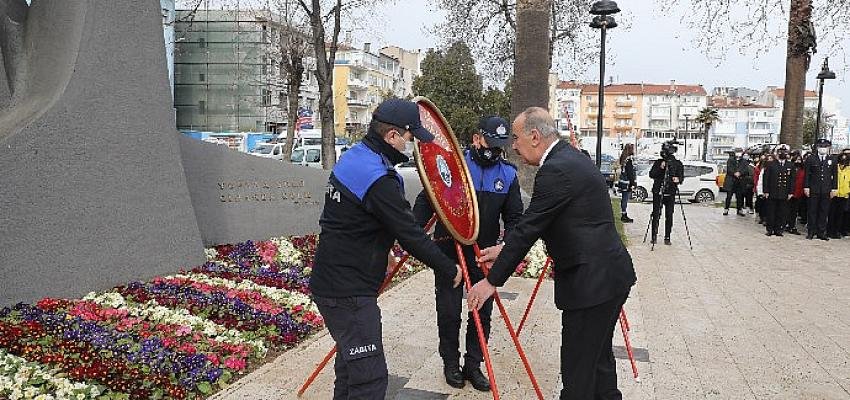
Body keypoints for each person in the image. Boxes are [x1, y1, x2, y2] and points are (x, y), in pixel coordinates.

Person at [468, 107, 636, 400]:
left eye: (516, 138)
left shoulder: (555, 170)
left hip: (591, 285)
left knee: (578, 373)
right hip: (609, 278)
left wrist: (491, 282)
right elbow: (545, 222)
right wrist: (505, 249)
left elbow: (530, 226)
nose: (513, 146)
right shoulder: (571, 158)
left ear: (534, 136)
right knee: (598, 362)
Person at [310, 98, 462, 399]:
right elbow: (410, 234)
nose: (412, 145)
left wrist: (384, 250)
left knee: (350, 369)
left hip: (334, 282)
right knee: (369, 379)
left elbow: (353, 219)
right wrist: (449, 268)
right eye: (410, 137)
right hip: (349, 293)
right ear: (392, 136)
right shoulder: (378, 177)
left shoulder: (357, 156)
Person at [412, 116, 523, 392]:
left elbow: (515, 219)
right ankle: (450, 363)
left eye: (499, 146)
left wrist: (504, 248)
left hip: (483, 254)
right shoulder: (454, 165)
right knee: (449, 311)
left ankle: (474, 365)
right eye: (489, 143)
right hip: (448, 251)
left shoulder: (508, 174)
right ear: (476, 138)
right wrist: (411, 233)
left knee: (481, 314)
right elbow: (427, 200)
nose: (493, 151)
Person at [649, 141, 684, 245]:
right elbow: (652, 174)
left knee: (669, 215)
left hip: (671, 193)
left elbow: (681, 177)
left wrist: (678, 179)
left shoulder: (677, 164)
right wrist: (661, 168)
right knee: (656, 215)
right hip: (658, 192)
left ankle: (667, 237)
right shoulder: (658, 162)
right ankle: (654, 237)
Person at [804, 138, 838, 240]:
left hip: (826, 189)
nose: (823, 148)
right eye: (821, 146)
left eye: (825, 147)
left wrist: (834, 188)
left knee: (824, 211)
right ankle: (811, 231)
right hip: (814, 189)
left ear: (828, 148)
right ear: (817, 147)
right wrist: (806, 187)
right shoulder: (811, 159)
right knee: (812, 211)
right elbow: (807, 175)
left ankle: (821, 232)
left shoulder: (832, 159)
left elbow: (835, 175)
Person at [762, 144, 795, 236]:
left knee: (781, 212)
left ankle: (778, 229)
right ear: (777, 153)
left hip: (784, 192)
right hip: (772, 192)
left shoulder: (790, 165)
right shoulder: (771, 164)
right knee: (771, 212)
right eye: (781, 152)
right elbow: (766, 178)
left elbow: (792, 180)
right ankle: (769, 229)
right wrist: (766, 191)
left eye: (785, 152)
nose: (783, 153)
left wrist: (791, 192)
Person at [827, 150, 850, 238]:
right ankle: (829, 231)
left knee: (840, 214)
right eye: (842, 160)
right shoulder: (834, 168)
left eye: (845, 161)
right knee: (832, 214)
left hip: (844, 195)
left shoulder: (848, 170)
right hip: (834, 194)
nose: (843, 163)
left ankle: (836, 231)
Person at [723, 148, 749, 216]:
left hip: (740, 181)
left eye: (739, 152)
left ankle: (739, 209)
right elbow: (729, 169)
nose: (738, 153)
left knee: (739, 197)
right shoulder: (730, 160)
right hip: (731, 180)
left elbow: (746, 170)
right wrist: (734, 173)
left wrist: (740, 173)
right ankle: (726, 209)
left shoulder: (744, 161)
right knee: (729, 196)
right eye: (737, 152)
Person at [785, 153, 806, 235]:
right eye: (796, 160)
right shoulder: (790, 168)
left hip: (799, 193)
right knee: (787, 210)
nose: (798, 161)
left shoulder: (803, 169)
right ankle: (785, 224)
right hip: (790, 192)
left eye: (799, 160)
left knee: (794, 211)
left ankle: (792, 226)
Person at [617, 144, 637, 223]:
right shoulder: (629, 160)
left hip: (623, 181)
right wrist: (633, 183)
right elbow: (630, 173)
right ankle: (624, 215)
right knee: (625, 198)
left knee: (624, 198)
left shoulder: (623, 159)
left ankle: (623, 213)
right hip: (627, 182)